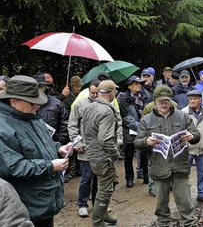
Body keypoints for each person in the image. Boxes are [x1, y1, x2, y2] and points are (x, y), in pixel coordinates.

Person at [0, 75, 70, 226]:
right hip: (25, 207)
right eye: (33, 103)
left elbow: (42, 144)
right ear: (13, 101)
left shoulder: (31, 117)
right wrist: (50, 166)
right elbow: (12, 167)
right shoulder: (3, 127)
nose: (37, 106)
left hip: (43, 201)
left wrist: (59, 148)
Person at [134, 85, 201, 227]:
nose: (164, 104)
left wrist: (191, 136)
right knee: (161, 204)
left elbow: (196, 135)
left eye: (166, 101)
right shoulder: (147, 120)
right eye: (160, 102)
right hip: (159, 167)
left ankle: (190, 224)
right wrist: (146, 141)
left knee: (185, 201)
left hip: (180, 166)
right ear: (155, 102)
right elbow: (137, 142)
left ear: (170, 101)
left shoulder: (182, 116)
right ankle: (163, 224)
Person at [81, 80, 121, 226]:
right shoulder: (107, 111)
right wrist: (115, 154)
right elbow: (105, 139)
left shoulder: (89, 107)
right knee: (104, 189)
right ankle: (97, 222)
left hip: (92, 154)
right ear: (111, 93)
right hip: (104, 156)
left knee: (111, 182)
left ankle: (103, 215)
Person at [68, 79, 101, 218]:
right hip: (86, 148)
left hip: (101, 149)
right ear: (88, 90)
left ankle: (99, 204)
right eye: (92, 92)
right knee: (86, 177)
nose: (94, 95)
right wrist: (77, 143)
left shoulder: (107, 105)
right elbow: (72, 124)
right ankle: (82, 204)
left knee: (100, 178)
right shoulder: (80, 104)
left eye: (97, 93)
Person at [118, 75, 152, 189]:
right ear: (130, 86)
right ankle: (129, 179)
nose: (139, 85)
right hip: (130, 131)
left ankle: (146, 176)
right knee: (129, 155)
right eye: (136, 83)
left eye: (140, 83)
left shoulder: (146, 96)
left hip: (144, 129)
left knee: (145, 153)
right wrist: (142, 127)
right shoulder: (124, 100)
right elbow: (127, 118)